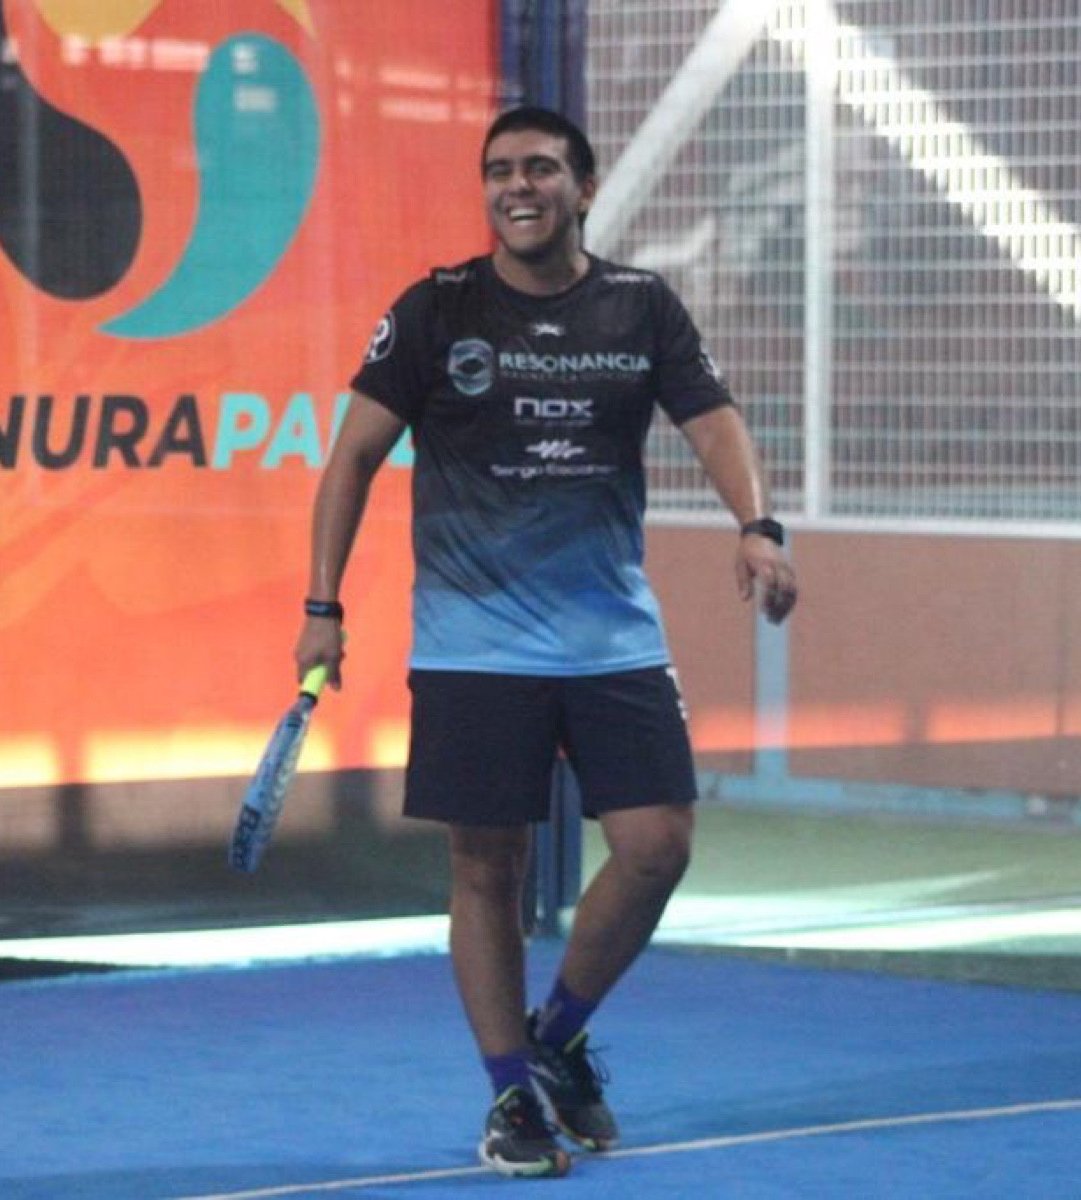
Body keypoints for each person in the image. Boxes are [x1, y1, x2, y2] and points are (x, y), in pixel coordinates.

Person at [294, 105, 797, 1179]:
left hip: (611, 637)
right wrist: (321, 607)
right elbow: (351, 461)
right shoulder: (434, 310)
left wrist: (757, 526)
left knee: (658, 846)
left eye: (539, 169)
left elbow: (712, 418)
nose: (515, 187)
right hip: (472, 645)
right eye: (498, 172)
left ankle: (557, 1034)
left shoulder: (640, 306)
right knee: (488, 867)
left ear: (583, 187)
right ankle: (510, 1097)